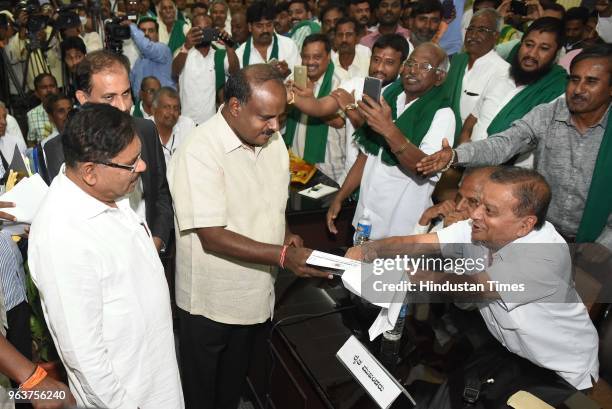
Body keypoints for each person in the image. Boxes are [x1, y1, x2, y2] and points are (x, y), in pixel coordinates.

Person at [347, 167, 599, 398]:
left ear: (525, 224)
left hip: (559, 371)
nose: (475, 215)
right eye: (479, 204)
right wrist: (372, 248)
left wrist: (398, 271)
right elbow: (419, 243)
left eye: (489, 211)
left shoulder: (543, 257)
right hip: (511, 354)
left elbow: (467, 285)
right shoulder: (478, 227)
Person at [167, 64, 331, 409]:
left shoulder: (270, 138)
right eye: (265, 118)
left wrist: (286, 233)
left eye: (280, 118)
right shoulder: (199, 150)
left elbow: (272, 199)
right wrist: (283, 257)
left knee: (232, 383)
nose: (274, 127)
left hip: (255, 293)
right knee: (202, 392)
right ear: (235, 106)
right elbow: (211, 236)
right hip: (211, 302)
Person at [29, 103, 184, 409]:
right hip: (128, 397)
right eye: (131, 163)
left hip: (156, 378)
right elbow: (83, 354)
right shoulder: (63, 235)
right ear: (89, 172)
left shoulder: (106, 192)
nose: (142, 167)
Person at [417, 44, 612, 250]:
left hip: (597, 245)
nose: (578, 89)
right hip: (542, 235)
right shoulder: (549, 114)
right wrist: (455, 155)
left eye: (591, 82)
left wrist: (604, 246)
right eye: (574, 79)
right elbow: (504, 144)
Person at [43, 50, 174, 253]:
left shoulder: (146, 131)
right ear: (83, 98)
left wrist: (155, 244)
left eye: (126, 94)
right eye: (109, 97)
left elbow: (161, 195)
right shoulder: (59, 150)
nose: (122, 106)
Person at [328, 42, 456, 240]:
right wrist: (341, 196)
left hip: (398, 228)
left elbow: (423, 167)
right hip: (364, 215)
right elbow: (368, 154)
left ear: (439, 77)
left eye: (425, 66)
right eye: (411, 63)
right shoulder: (390, 94)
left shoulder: (442, 114)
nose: (413, 70)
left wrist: (388, 129)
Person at [292, 34, 410, 184]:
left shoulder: (405, 97)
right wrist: (297, 96)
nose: (379, 67)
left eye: (389, 62)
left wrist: (350, 109)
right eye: (376, 60)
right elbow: (320, 108)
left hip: (383, 181)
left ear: (402, 66)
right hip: (350, 174)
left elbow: (376, 141)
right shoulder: (356, 84)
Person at [459, 17, 568, 160]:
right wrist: (464, 141)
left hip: (507, 176)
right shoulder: (501, 75)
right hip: (467, 165)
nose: (532, 54)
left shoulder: (556, 94)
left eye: (544, 48)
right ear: (520, 44)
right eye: (529, 44)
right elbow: (473, 117)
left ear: (556, 54)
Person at [284, 34, 345, 183]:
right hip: (296, 159)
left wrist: (310, 102)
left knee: (325, 205)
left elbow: (339, 122)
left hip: (327, 163)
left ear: (328, 56)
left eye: (317, 57)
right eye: (306, 57)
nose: (310, 62)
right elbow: (284, 115)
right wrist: (285, 100)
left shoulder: (341, 81)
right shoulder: (296, 77)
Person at [445, 8, 510, 133]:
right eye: (470, 29)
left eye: (481, 30)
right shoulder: (455, 61)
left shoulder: (503, 72)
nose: (473, 35)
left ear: (495, 36)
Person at [173, 14, 238, 125]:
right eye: (198, 30)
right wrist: (186, 46)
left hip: (211, 122)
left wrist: (229, 46)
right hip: (186, 122)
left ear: (213, 31)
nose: (202, 33)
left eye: (206, 29)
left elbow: (235, 71)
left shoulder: (219, 55)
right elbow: (175, 70)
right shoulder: (183, 52)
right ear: (191, 31)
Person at [413, 166, 497, 234]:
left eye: (472, 201)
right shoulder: (455, 219)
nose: (459, 207)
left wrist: (449, 234)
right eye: (459, 196)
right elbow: (411, 253)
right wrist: (426, 217)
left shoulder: (489, 235)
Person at [235, 2, 300, 77]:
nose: (265, 30)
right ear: (250, 27)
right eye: (259, 26)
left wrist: (287, 73)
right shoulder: (240, 54)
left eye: (269, 25)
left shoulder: (289, 45)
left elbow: (298, 78)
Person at [128, 17, 175, 96]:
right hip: (144, 106)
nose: (146, 34)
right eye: (142, 31)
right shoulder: (139, 60)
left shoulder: (163, 49)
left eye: (151, 31)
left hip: (162, 105)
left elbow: (147, 48)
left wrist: (131, 26)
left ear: (157, 34)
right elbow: (132, 84)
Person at [151, 87, 196, 165]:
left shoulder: (188, 126)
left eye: (175, 108)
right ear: (154, 109)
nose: (172, 112)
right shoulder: (143, 129)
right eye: (166, 107)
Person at [27, 73, 58, 144]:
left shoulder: (69, 108)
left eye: (52, 86)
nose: (49, 90)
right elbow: (31, 143)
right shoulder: (31, 115)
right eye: (44, 87)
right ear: (37, 93)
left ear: (57, 89)